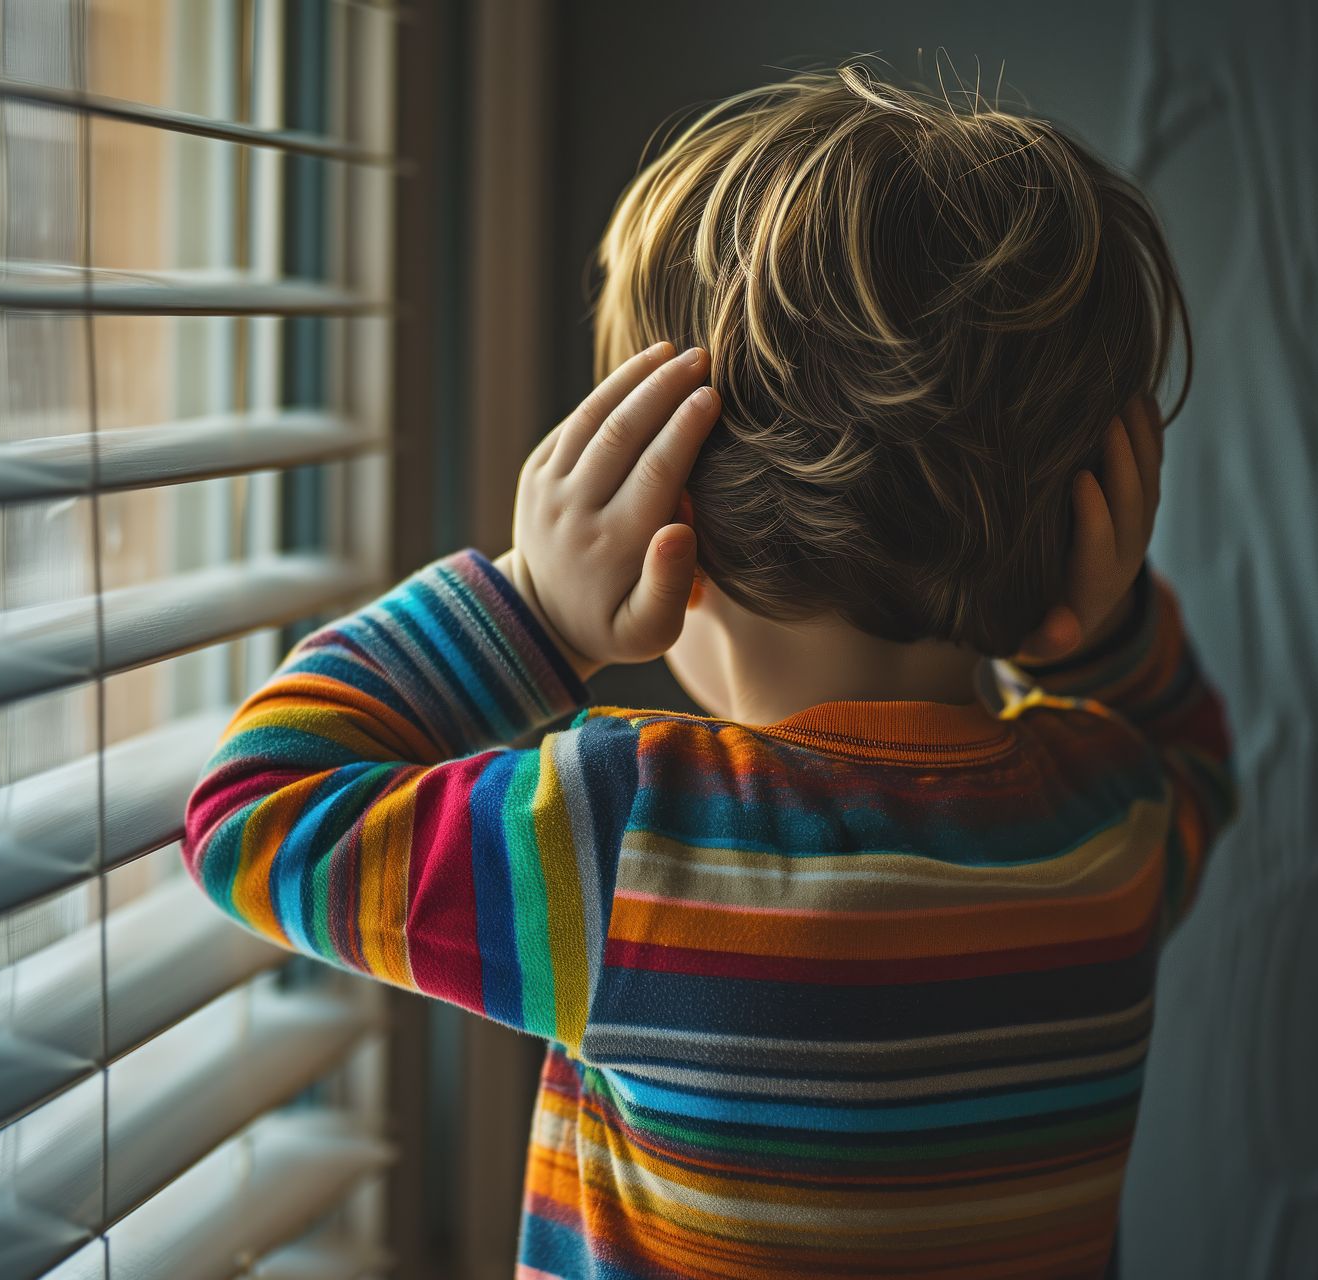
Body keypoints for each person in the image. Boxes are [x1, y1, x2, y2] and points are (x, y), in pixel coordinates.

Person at [184, 65, 1235, 1280]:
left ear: (665, 511)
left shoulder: (642, 840)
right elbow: (1193, 753)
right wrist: (1092, 635)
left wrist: (532, 608)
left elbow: (249, 815)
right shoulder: (1106, 816)